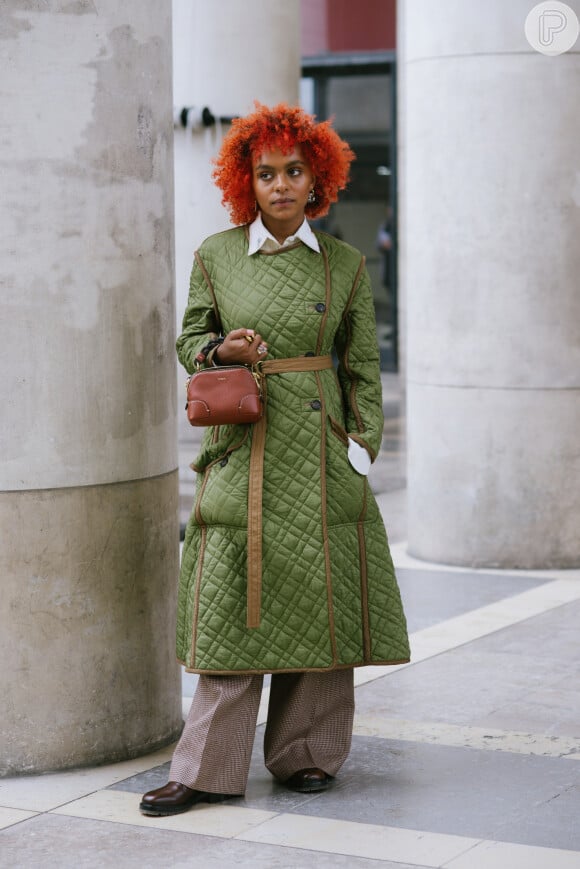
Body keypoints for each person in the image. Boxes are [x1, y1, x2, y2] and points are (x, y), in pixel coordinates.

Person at [140, 103, 410, 817]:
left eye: (294, 171)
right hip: (246, 448)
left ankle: (307, 754)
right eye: (266, 173)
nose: (281, 185)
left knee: (320, 611)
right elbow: (190, 338)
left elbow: (362, 366)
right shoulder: (216, 254)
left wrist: (361, 444)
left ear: (318, 176)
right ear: (245, 182)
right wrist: (225, 350)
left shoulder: (346, 266)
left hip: (324, 459)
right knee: (235, 607)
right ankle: (203, 767)